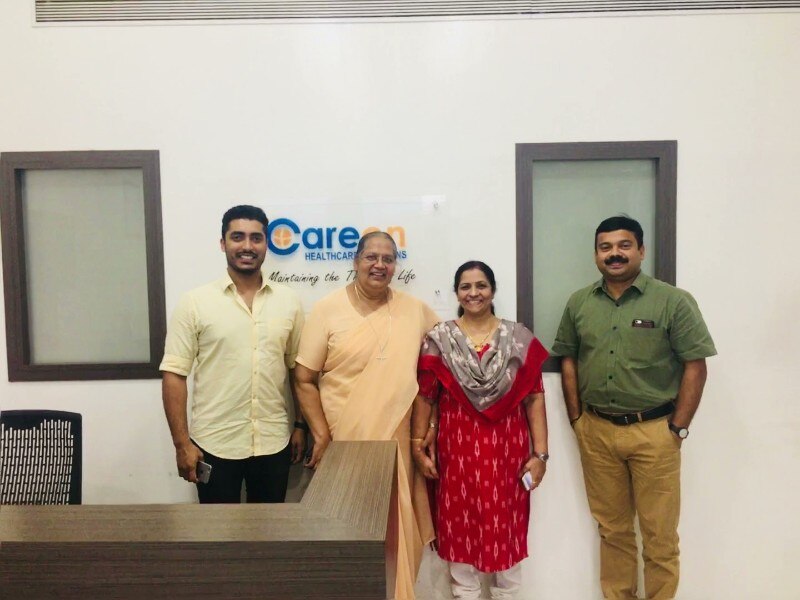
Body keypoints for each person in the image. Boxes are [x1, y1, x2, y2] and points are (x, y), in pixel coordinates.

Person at [553, 215, 716, 600]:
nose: (615, 254)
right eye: (605, 247)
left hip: (655, 434)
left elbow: (695, 365)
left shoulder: (673, 301)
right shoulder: (579, 303)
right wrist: (577, 419)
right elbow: (569, 359)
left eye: (624, 245)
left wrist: (677, 428)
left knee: (660, 536)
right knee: (613, 531)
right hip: (597, 433)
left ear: (641, 251)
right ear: (596, 254)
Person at [293, 231, 439, 600]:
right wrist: (321, 434)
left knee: (398, 525)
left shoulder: (415, 310)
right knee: (347, 532)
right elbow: (304, 379)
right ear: (356, 261)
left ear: (395, 266)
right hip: (345, 443)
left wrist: (432, 425)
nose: (379, 265)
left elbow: (440, 372)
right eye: (371, 257)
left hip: (397, 443)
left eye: (388, 259)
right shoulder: (327, 309)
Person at [411, 261, 549, 600]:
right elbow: (425, 397)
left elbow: (534, 398)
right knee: (459, 526)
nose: (474, 293)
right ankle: (465, 594)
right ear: (457, 293)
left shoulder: (518, 339)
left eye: (481, 285)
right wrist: (418, 445)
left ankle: (508, 595)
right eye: (466, 286)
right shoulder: (440, 339)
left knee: (507, 529)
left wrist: (541, 454)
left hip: (508, 453)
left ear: (493, 290)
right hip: (457, 453)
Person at [160, 205, 307, 504]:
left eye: (256, 238)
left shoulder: (289, 302)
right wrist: (182, 444)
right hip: (213, 444)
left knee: (269, 529)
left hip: (273, 442)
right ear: (222, 243)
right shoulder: (195, 302)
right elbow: (174, 375)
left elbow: (298, 371)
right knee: (217, 530)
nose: (247, 246)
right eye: (237, 237)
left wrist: (300, 426)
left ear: (266, 244)